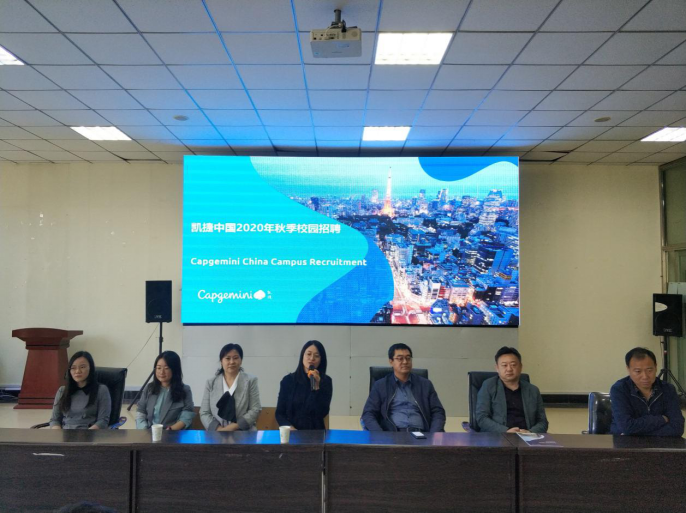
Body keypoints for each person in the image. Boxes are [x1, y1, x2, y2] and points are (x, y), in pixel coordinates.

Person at [361, 343, 445, 432]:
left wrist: (433, 434)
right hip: (392, 434)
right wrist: (380, 435)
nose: (405, 362)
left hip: (421, 434)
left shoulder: (425, 384)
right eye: (400, 358)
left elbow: (438, 412)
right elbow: (368, 413)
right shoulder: (380, 385)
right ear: (391, 361)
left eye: (408, 358)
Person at [610, 347, 684, 436]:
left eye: (649, 370)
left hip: (660, 443)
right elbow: (626, 427)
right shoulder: (619, 389)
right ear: (628, 369)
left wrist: (637, 432)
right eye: (638, 371)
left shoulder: (668, 389)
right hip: (625, 443)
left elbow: (677, 427)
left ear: (656, 367)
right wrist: (661, 419)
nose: (645, 376)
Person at [475, 346, 548, 433]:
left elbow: (542, 421)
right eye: (504, 365)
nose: (509, 369)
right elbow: (482, 418)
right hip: (498, 436)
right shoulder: (488, 386)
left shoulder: (533, 390)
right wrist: (505, 431)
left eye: (513, 365)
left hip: (527, 437)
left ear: (520, 367)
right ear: (497, 368)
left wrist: (530, 432)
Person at [200, 343, 261, 431]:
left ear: (241, 360)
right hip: (217, 432)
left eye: (235, 358)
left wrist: (234, 427)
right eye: (227, 358)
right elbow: (204, 412)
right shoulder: (211, 383)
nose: (232, 362)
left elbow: (255, 409)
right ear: (221, 361)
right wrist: (219, 429)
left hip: (244, 432)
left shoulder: (251, 381)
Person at [275, 340, 333, 430]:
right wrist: (290, 428)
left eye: (316, 356)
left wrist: (317, 386)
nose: (312, 358)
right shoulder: (288, 381)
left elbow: (323, 413)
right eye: (308, 354)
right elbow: (279, 413)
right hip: (292, 432)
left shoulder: (326, 381)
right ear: (303, 356)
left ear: (321, 359)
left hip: (316, 433)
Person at [49, 351, 111, 430]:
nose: (77, 371)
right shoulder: (62, 391)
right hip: (65, 434)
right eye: (73, 368)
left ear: (91, 368)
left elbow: (103, 421)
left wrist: (86, 435)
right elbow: (55, 420)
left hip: (90, 434)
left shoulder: (101, 390)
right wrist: (58, 434)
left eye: (82, 367)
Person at [135, 350, 195, 430]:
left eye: (166, 368)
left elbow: (186, 416)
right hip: (150, 433)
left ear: (175, 369)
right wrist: (145, 430)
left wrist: (170, 430)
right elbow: (141, 412)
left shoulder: (185, 390)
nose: (161, 372)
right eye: (158, 368)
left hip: (174, 433)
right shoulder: (149, 388)